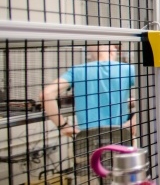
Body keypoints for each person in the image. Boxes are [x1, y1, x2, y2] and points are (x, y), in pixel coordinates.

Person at [41, 44, 136, 179]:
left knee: (93, 177)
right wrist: (134, 122)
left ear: (91, 51)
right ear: (112, 50)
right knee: (122, 178)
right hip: (120, 137)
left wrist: (63, 126)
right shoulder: (127, 69)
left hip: (87, 141)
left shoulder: (78, 71)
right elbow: (153, 93)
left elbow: (46, 94)